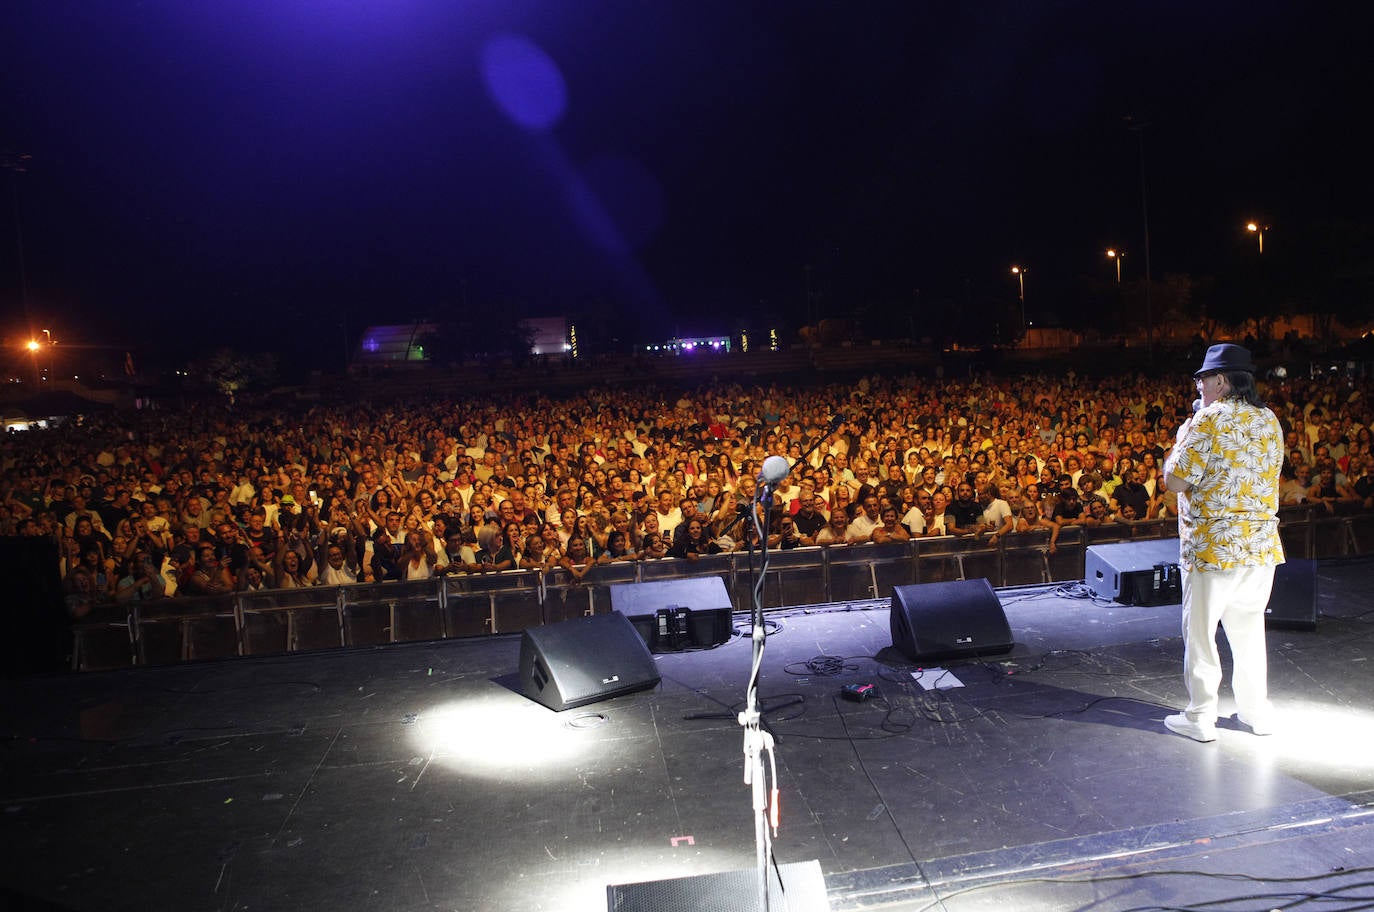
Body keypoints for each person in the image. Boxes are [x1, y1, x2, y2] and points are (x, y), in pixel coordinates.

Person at [1161, 344, 1284, 742]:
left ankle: (1200, 716)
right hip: (1259, 545)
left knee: (1200, 633)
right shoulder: (1269, 419)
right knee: (1249, 632)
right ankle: (1256, 713)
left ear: (1221, 380)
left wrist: (1181, 439)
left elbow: (1175, 481)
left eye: (1201, 378)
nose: (1197, 385)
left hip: (1213, 546)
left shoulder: (1206, 420)